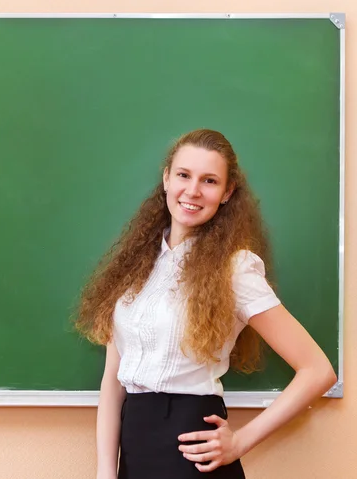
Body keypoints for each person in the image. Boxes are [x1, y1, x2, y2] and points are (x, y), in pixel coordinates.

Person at [75, 129, 337, 479]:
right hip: (134, 448)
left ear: (227, 193)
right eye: (184, 175)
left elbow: (318, 371)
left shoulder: (235, 268)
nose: (193, 191)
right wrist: (106, 473)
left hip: (192, 453)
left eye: (209, 180)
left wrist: (240, 442)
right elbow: (113, 382)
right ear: (166, 178)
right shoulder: (134, 265)